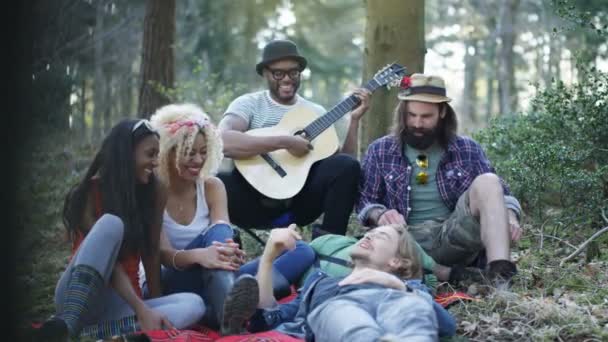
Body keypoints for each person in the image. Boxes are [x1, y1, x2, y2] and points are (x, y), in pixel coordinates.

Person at [144, 103, 316, 335]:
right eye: (189, 152)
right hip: (171, 281)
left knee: (301, 250)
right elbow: (161, 255)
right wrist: (202, 256)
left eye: (204, 152)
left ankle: (225, 307)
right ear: (168, 151)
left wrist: (229, 253)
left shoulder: (212, 186)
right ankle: (235, 314)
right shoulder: (153, 193)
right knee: (216, 235)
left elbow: (220, 240)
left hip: (214, 274)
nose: (198, 160)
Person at [37, 119, 205, 341]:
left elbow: (151, 253)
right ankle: (69, 324)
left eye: (157, 154)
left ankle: (85, 336)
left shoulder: (154, 191)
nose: (156, 162)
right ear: (126, 153)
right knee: (111, 223)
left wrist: (152, 308)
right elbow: (111, 265)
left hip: (122, 305)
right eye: (150, 154)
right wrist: (141, 308)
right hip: (78, 297)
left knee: (194, 305)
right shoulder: (90, 192)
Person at [357, 73, 523, 287]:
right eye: (411, 115)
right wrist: (379, 213)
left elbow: (503, 195)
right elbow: (364, 201)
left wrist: (509, 217)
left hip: (454, 236)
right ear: (402, 114)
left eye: (426, 116)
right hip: (405, 241)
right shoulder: (380, 150)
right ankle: (447, 274)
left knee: (489, 181)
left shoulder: (467, 149)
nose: (417, 123)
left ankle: (500, 278)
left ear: (443, 112)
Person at [218, 39, 370, 238]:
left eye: (293, 72)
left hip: (298, 205)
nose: (287, 79)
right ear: (265, 73)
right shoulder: (249, 104)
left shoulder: (315, 112)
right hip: (251, 201)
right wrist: (285, 142)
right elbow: (222, 140)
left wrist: (354, 121)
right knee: (218, 180)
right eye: (278, 73)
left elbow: (345, 167)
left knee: (346, 165)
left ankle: (330, 246)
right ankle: (221, 242)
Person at [224, 224, 456, 341]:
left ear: (397, 261)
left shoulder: (405, 291)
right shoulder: (320, 283)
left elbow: (446, 326)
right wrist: (268, 258)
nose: (368, 235)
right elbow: (269, 319)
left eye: (380, 236)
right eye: (370, 232)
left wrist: (394, 285)